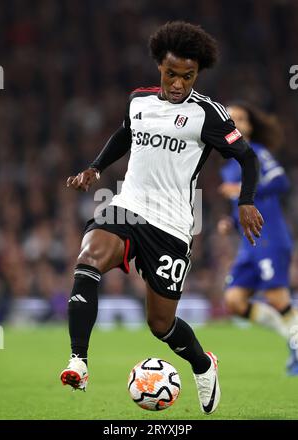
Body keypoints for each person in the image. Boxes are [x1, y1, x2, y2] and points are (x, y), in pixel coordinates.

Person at [60, 22, 263, 414]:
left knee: (161, 325)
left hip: (171, 227)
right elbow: (124, 133)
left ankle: (204, 366)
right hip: (127, 206)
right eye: (171, 74)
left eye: (187, 76)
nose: (178, 83)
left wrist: (245, 201)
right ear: (160, 68)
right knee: (87, 260)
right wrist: (95, 168)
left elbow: (247, 157)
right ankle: (78, 362)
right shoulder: (138, 101)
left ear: (197, 73)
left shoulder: (208, 114)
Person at [218, 101, 298, 375]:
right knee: (234, 301)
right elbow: (243, 206)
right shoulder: (230, 164)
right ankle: (292, 337)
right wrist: (230, 222)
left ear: (249, 126)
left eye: (240, 118)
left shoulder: (258, 153)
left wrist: (243, 188)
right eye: (230, 119)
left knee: (277, 298)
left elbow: (280, 181)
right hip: (249, 246)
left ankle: (297, 347)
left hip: (270, 239)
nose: (235, 123)